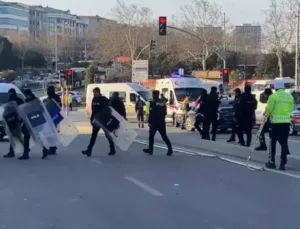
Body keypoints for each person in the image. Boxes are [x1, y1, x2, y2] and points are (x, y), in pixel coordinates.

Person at [264, 80, 294, 170]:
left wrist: (265, 115)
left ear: (275, 88)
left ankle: (272, 162)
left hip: (275, 123)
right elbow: (291, 108)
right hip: (286, 123)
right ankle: (283, 163)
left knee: (272, 142)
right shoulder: (290, 96)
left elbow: (269, 109)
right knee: (284, 143)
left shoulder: (273, 97)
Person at [82, 87, 116, 157]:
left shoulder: (104, 99)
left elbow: (109, 109)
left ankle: (112, 149)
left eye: (95, 93)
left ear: (98, 92)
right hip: (96, 120)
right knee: (93, 135)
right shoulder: (94, 99)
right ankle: (89, 150)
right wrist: (91, 119)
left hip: (103, 120)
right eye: (93, 93)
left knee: (108, 135)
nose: (94, 94)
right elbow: (93, 110)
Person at [19, 89, 48, 160]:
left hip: (30, 120)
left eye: (26, 95)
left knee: (27, 135)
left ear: (27, 94)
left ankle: (26, 153)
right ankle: (44, 148)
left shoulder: (28, 101)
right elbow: (42, 109)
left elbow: (25, 111)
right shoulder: (37, 100)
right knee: (36, 136)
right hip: (37, 119)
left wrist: (21, 120)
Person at [143, 90, 173, 156]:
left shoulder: (152, 102)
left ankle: (150, 150)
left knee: (151, 136)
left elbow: (151, 113)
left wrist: (149, 121)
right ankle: (170, 149)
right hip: (161, 122)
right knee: (164, 136)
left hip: (154, 122)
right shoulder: (162, 103)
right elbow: (165, 113)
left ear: (153, 95)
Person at [3, 88, 25, 158]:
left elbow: (8, 111)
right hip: (18, 119)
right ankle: (14, 150)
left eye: (9, 93)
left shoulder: (11, 100)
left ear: (11, 93)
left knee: (16, 136)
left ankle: (24, 149)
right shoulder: (20, 100)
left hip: (12, 120)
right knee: (16, 136)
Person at [46, 86, 62, 155]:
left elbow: (58, 106)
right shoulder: (53, 97)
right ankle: (53, 147)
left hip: (53, 117)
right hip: (52, 117)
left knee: (52, 133)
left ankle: (53, 148)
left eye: (48, 90)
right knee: (52, 133)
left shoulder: (53, 98)